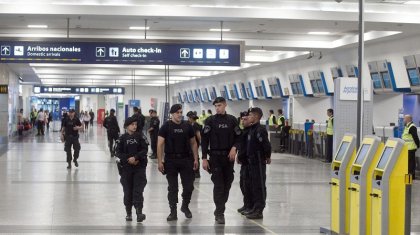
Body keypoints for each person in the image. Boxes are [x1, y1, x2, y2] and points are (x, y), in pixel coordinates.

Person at [201, 97, 242, 224]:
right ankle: (220, 213)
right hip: (215, 157)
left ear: (225, 105)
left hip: (228, 158)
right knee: (219, 185)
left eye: (219, 105)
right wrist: (204, 158)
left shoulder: (232, 120)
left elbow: (239, 138)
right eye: (215, 106)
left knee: (227, 184)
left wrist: (234, 148)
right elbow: (204, 141)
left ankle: (220, 208)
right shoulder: (210, 120)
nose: (217, 108)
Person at [157, 104, 199, 221]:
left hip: (186, 160)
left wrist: (196, 159)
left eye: (181, 112)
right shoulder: (166, 127)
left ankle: (185, 206)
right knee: (173, 188)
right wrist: (160, 161)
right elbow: (159, 144)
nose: (180, 115)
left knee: (189, 186)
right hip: (171, 161)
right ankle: (173, 211)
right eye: (177, 113)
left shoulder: (187, 126)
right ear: (172, 114)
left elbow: (193, 143)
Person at [115, 117, 148, 223]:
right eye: (132, 124)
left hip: (139, 168)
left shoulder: (141, 136)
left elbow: (145, 149)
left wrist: (136, 158)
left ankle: (139, 213)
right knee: (128, 191)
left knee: (138, 191)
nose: (135, 126)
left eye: (135, 124)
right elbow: (117, 152)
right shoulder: (121, 138)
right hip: (126, 169)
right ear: (127, 126)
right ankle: (128, 213)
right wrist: (129, 159)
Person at [243, 107, 271, 219]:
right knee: (253, 185)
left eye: (250, 115)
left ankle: (259, 210)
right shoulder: (252, 129)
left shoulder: (260, 129)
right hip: (251, 161)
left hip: (258, 161)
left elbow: (266, 145)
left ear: (255, 117)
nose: (248, 117)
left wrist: (267, 156)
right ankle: (254, 207)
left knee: (259, 186)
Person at [237, 110, 253, 215]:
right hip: (243, 162)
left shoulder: (251, 131)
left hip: (250, 162)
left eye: (245, 119)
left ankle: (251, 206)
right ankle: (246, 204)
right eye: (242, 119)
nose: (243, 121)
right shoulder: (243, 131)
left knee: (249, 185)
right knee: (243, 184)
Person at [402, 115, 419, 179]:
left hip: (411, 148)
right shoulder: (407, 126)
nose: (403, 120)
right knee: (409, 163)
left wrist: (418, 145)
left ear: (408, 119)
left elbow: (415, 137)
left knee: (411, 164)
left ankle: (411, 178)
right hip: (407, 148)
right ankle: (409, 177)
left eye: (404, 119)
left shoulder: (412, 127)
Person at [186, 111, 202, 178]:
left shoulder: (196, 125)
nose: (194, 120)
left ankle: (196, 172)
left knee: (195, 157)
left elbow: (198, 135)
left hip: (194, 145)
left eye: (195, 119)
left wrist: (202, 143)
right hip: (186, 145)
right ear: (189, 118)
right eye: (193, 119)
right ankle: (191, 171)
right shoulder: (185, 124)